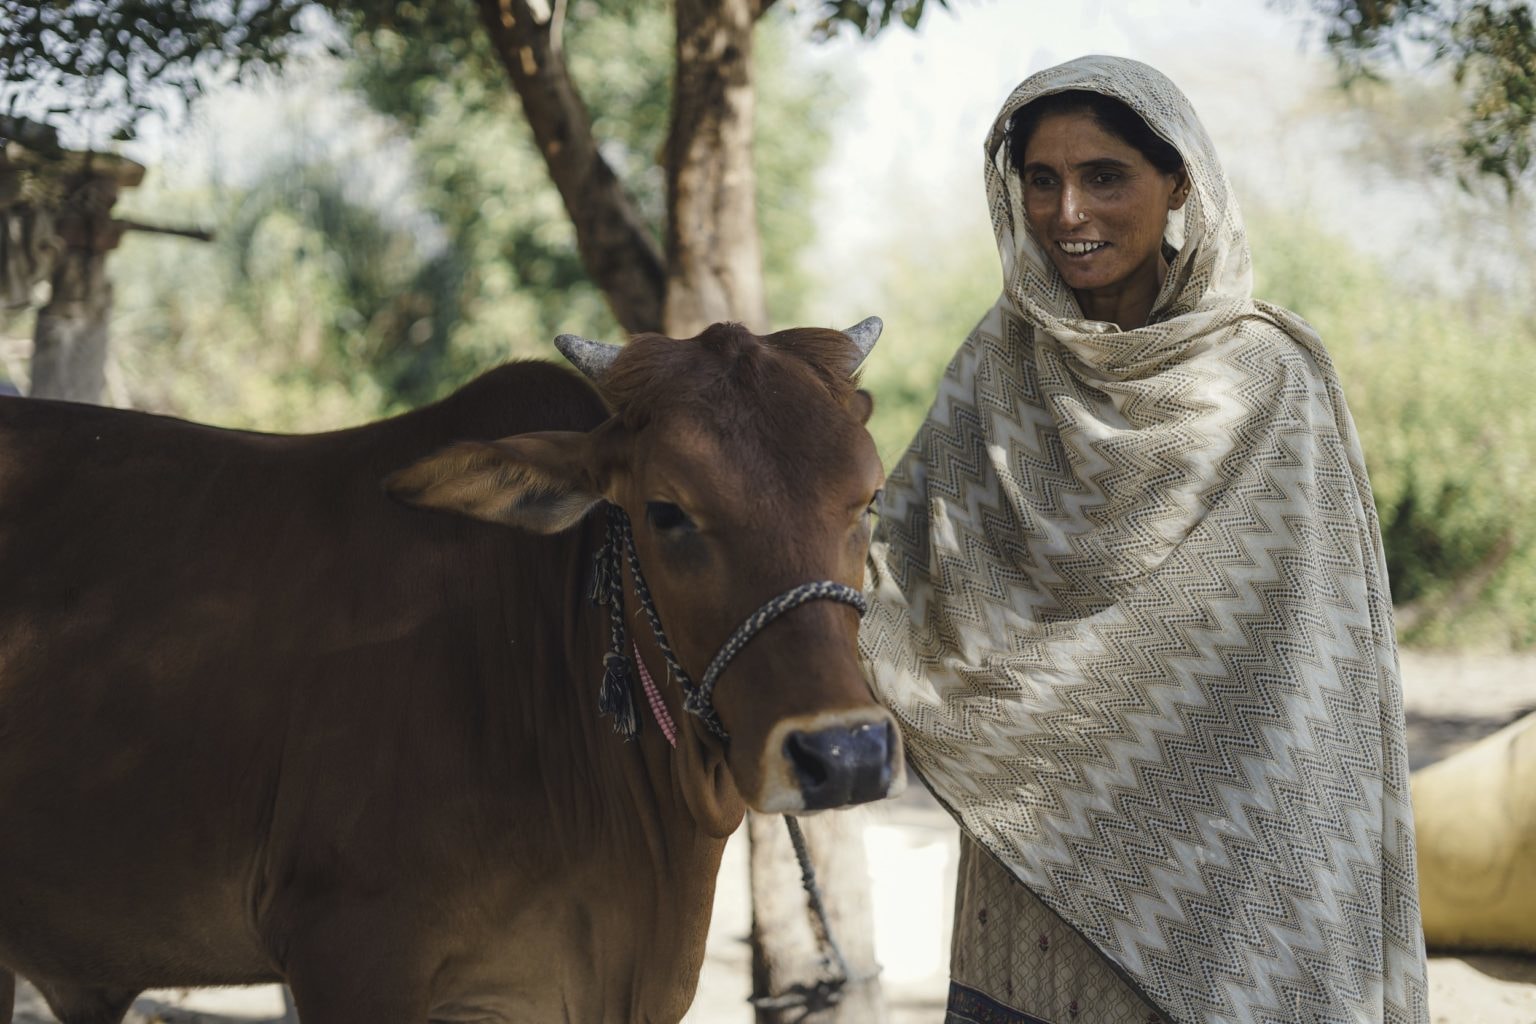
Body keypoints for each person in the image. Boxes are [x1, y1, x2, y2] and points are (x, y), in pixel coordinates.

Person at [860, 55, 1429, 1024]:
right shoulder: (1001, 363)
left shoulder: (1265, 379)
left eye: (1105, 176)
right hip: (1030, 878)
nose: (1067, 211)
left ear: (1179, 185)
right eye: (1042, 179)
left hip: (1235, 865)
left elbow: (1307, 680)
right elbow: (888, 571)